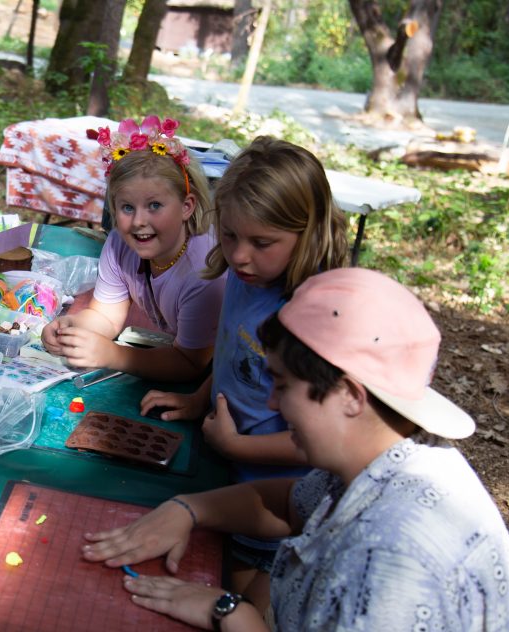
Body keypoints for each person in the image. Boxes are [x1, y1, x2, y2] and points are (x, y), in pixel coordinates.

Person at [82, 267, 509, 631]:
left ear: (350, 395)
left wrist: (229, 612)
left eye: (283, 386)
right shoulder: (381, 454)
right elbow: (292, 503)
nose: (271, 403)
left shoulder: (390, 558)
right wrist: (188, 508)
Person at [138, 136, 349, 608]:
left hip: (279, 506)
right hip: (227, 472)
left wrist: (239, 445)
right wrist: (199, 397)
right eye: (229, 236)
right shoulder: (242, 275)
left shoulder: (314, 316)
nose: (238, 255)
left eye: (261, 242)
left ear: (308, 232)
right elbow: (235, 349)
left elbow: (321, 439)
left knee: (246, 604)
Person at [41, 116, 224, 382]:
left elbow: (191, 363)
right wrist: (73, 328)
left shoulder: (204, 272)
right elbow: (106, 316)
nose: (139, 221)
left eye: (154, 206)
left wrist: (115, 356)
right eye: (127, 207)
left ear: (187, 206)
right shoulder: (118, 245)